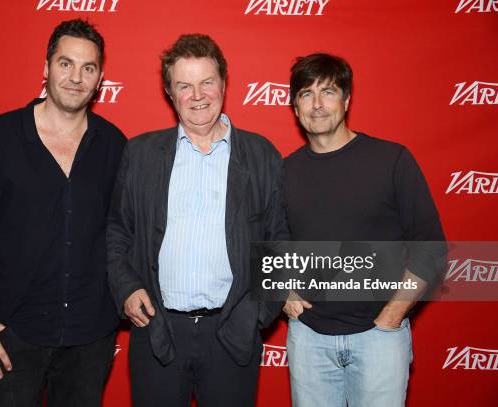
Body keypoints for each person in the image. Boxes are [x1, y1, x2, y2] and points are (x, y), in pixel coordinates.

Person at [107, 33, 287, 407]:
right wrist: (126, 289)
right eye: (184, 86)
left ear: (223, 82)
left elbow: (278, 242)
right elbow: (117, 233)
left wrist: (256, 313)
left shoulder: (261, 155)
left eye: (206, 82)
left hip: (232, 333)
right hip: (157, 331)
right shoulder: (140, 154)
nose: (198, 95)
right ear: (170, 94)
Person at [0, 19, 125, 407]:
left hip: (89, 337)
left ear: (100, 78)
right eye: (65, 64)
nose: (76, 77)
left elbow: (124, 233)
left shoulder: (114, 146)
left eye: (88, 68)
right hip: (10, 333)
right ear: (46, 67)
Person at [283, 53, 445, 406]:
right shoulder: (285, 172)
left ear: (347, 99)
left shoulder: (391, 160)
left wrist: (391, 316)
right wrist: (282, 292)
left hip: (379, 339)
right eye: (306, 94)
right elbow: (271, 241)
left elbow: (430, 247)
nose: (317, 105)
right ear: (295, 107)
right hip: (309, 339)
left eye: (327, 92)